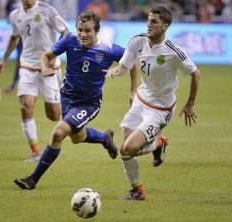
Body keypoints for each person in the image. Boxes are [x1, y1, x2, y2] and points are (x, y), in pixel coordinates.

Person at [13, 11, 138, 190]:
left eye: (87, 31)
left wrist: (132, 89)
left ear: (97, 32)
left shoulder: (109, 48)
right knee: (77, 137)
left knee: (58, 133)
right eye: (80, 30)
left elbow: (132, 62)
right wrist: (44, 68)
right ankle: (104, 138)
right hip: (66, 97)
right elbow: (46, 56)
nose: (83, 34)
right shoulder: (70, 40)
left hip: (89, 103)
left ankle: (32, 180)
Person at [105, 6, 200, 200]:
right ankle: (137, 190)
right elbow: (125, 66)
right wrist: (117, 70)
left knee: (128, 148)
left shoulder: (174, 51)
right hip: (141, 99)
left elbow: (195, 73)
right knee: (125, 148)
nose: (149, 25)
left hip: (160, 109)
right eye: (148, 20)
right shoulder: (137, 40)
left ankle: (157, 143)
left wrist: (190, 103)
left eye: (154, 22)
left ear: (165, 26)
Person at [0, 0, 69, 162]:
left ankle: (69, 105)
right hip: (27, 68)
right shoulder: (15, 15)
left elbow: (65, 31)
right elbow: (14, 38)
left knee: (54, 115)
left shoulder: (47, 10)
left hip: (49, 69)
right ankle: (36, 152)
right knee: (25, 107)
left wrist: (54, 54)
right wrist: (4, 59)